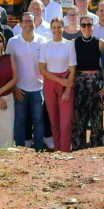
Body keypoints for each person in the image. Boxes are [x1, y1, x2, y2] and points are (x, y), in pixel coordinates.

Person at [9, 13, 48, 151]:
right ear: (20, 24)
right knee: (20, 121)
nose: (28, 24)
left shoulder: (43, 41)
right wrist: (14, 87)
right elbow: (10, 66)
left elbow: (46, 65)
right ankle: (20, 150)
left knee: (38, 120)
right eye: (25, 21)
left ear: (34, 23)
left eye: (30, 21)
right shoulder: (13, 42)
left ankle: (38, 149)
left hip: (38, 88)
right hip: (20, 88)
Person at [39, 17, 77, 151]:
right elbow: (42, 69)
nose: (56, 30)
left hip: (66, 85)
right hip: (50, 85)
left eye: (59, 27)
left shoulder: (69, 44)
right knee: (54, 122)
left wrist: (67, 89)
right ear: (51, 29)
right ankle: (57, 150)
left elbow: (72, 69)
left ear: (63, 28)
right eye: (54, 27)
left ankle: (65, 151)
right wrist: (60, 81)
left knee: (66, 122)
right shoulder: (45, 45)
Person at [71, 16, 104, 149]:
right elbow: (72, 65)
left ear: (93, 26)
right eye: (84, 25)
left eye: (89, 25)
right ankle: (78, 146)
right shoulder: (74, 42)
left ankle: (97, 146)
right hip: (80, 82)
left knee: (96, 115)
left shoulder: (100, 43)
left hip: (95, 81)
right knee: (79, 115)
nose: (87, 28)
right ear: (80, 27)